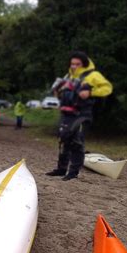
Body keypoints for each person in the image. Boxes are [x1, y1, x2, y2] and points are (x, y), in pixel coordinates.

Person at [46, 51, 112, 181]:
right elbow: (63, 93)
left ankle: (73, 172)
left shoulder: (93, 75)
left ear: (84, 64)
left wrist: (91, 92)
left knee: (77, 141)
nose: (74, 66)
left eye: (78, 64)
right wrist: (58, 92)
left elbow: (107, 88)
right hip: (67, 113)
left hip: (82, 114)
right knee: (63, 139)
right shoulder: (68, 76)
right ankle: (61, 169)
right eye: (72, 64)